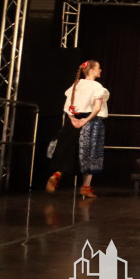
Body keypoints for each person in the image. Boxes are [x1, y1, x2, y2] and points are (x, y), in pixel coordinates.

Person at [46, 60, 109, 199]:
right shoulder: (97, 86)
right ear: (91, 71)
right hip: (90, 121)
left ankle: (57, 174)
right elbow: (97, 108)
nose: (101, 70)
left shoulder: (76, 84)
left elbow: (67, 106)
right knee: (90, 154)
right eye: (98, 68)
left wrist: (73, 119)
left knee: (70, 150)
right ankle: (86, 187)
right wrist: (85, 120)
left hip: (73, 121)